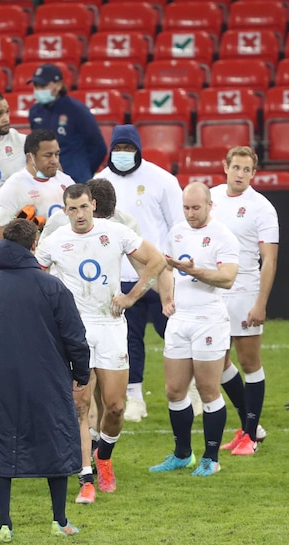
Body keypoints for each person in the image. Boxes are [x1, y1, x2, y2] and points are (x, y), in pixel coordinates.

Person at [36, 183, 166, 503]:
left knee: (116, 406)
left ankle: (103, 457)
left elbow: (157, 261)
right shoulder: (54, 242)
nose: (79, 215)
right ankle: (85, 478)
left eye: (84, 207)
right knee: (80, 406)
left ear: (93, 205)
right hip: (75, 332)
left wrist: (132, 296)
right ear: (64, 211)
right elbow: (34, 278)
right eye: (73, 209)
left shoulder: (116, 232)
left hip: (110, 326)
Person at [0, 218, 88, 541]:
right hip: (49, 378)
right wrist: (80, 373)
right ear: (34, 244)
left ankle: (5, 524)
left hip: (1, 379)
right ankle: (60, 520)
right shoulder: (52, 287)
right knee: (56, 440)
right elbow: (75, 337)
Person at [149, 182, 240, 477]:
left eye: (196, 208)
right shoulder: (176, 232)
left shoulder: (222, 236)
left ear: (210, 205)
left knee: (208, 389)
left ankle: (210, 457)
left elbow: (227, 278)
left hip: (209, 319)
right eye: (186, 208)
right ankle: (182, 454)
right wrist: (166, 297)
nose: (190, 213)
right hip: (180, 319)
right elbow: (164, 268)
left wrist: (193, 270)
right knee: (174, 390)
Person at [96, 124, 184, 422]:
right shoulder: (99, 182)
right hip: (119, 276)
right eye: (118, 149)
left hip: (159, 273)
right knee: (128, 340)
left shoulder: (163, 180)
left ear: (138, 150)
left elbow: (178, 227)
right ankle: (134, 396)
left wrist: (174, 270)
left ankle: (192, 387)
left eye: (128, 149)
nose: (122, 155)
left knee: (173, 333)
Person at [207, 147, 278, 456]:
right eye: (235, 167)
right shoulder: (212, 199)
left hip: (245, 289)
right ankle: (250, 427)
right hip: (214, 290)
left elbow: (270, 259)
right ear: (225, 167)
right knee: (219, 362)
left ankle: (249, 435)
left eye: (246, 169)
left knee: (249, 362)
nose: (240, 174)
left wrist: (261, 302)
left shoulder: (262, 207)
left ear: (254, 173)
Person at [27, 63, 106, 184]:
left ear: (58, 85)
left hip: (76, 180)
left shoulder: (77, 110)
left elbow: (99, 147)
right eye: (36, 86)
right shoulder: (35, 112)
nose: (38, 90)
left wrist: (83, 170)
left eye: (43, 86)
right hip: (48, 180)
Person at [0, 129, 74, 240]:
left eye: (56, 154)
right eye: (48, 155)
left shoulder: (66, 181)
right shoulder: (14, 186)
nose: (54, 161)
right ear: (30, 157)